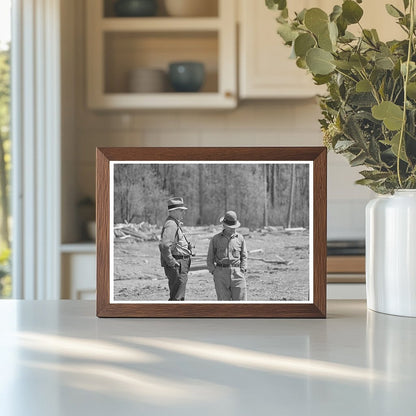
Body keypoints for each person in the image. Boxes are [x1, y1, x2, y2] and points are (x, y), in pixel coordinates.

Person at [207, 211, 248, 301]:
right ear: (224, 225)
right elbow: (210, 258)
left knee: (241, 305)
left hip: (238, 274)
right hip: (220, 274)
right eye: (230, 227)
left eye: (234, 227)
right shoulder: (216, 239)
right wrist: (214, 271)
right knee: (224, 305)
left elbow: (244, 256)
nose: (232, 229)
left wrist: (242, 269)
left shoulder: (240, 238)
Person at [159, 197, 193, 301]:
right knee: (177, 298)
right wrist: (172, 262)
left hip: (179, 264)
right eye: (181, 210)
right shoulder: (171, 224)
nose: (183, 213)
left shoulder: (173, 223)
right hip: (178, 264)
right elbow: (164, 245)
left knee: (177, 296)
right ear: (174, 211)